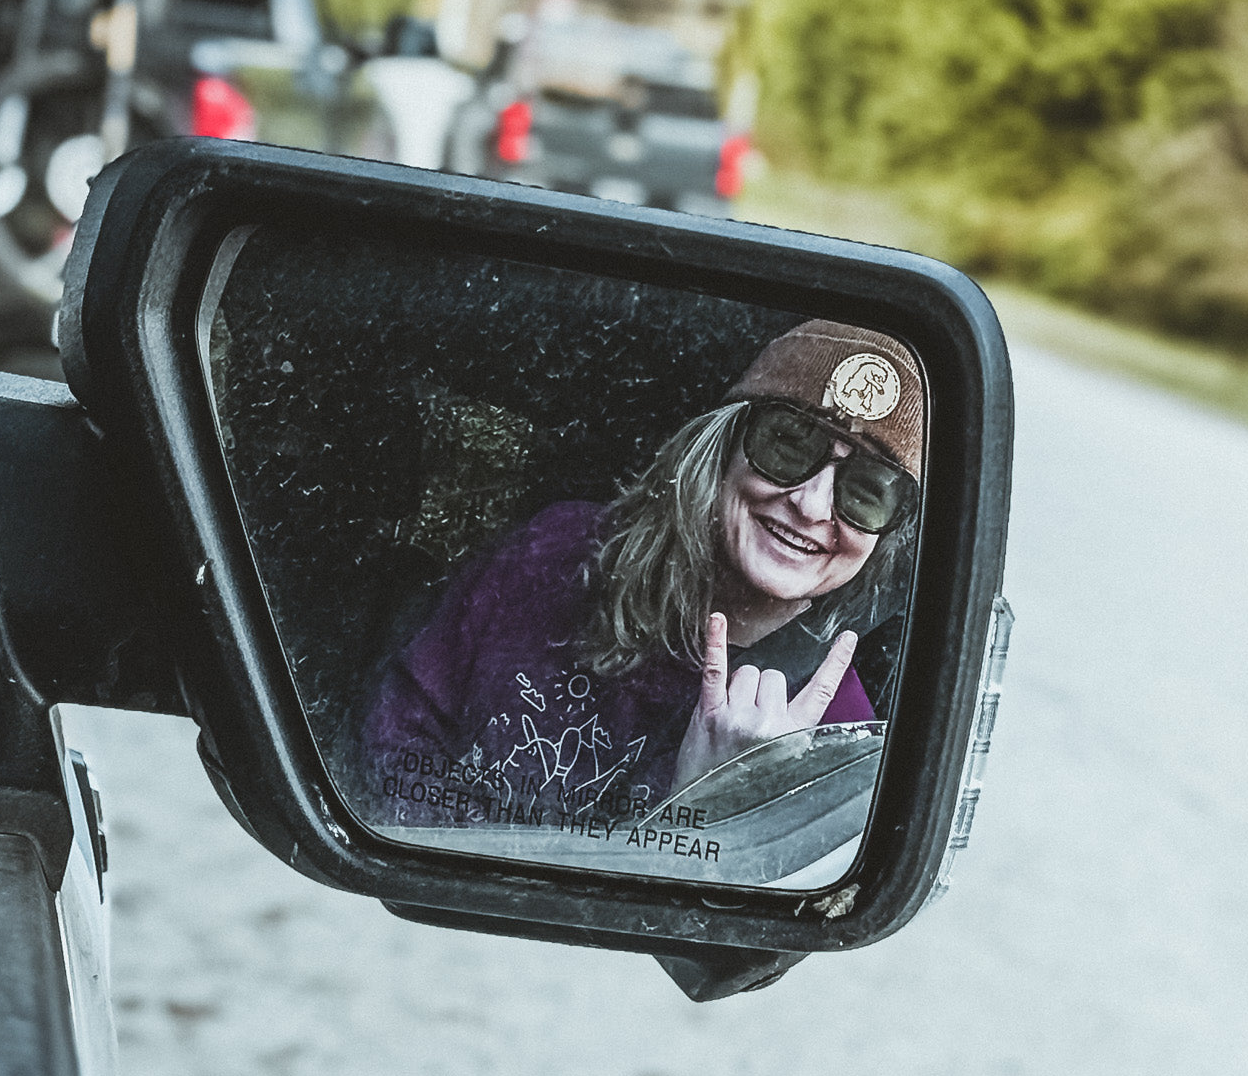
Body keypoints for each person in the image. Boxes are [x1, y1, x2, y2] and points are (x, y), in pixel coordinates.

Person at [361, 319, 924, 831]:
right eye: (787, 445)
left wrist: (705, 805)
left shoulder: (836, 734)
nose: (811, 505)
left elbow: (747, 916)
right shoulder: (558, 551)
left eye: (866, 491)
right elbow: (400, 733)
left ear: (886, 536)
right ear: (721, 447)